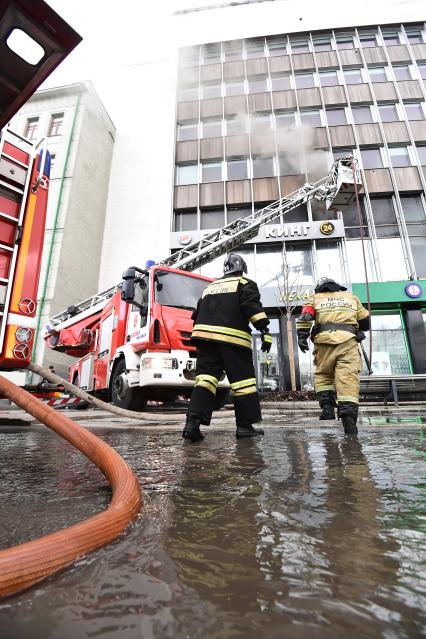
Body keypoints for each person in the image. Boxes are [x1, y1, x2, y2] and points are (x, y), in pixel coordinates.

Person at [183, 253, 272, 442]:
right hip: (232, 339)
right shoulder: (244, 283)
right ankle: (245, 426)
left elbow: (196, 314)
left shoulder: (210, 287)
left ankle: (192, 422)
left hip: (205, 339)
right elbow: (251, 307)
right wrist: (264, 330)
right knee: (243, 383)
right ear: (242, 268)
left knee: (205, 380)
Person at [296, 277, 370, 435]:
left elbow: (305, 317)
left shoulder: (315, 298)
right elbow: (365, 323)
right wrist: (356, 329)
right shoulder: (351, 297)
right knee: (348, 379)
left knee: (323, 375)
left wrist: (302, 337)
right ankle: (349, 423)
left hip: (323, 344)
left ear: (319, 288)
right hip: (348, 344)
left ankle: (327, 410)